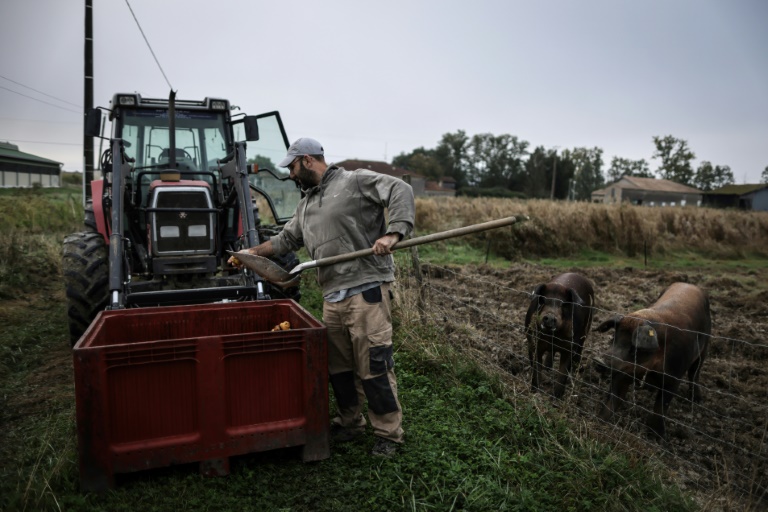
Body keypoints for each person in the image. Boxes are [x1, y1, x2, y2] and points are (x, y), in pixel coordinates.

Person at [230, 137, 414, 457]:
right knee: (339, 368)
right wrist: (251, 253)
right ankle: (350, 422)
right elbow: (286, 240)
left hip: (366, 289)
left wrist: (393, 232)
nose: (289, 174)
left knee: (374, 367)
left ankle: (388, 434)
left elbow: (400, 189)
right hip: (333, 296)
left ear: (308, 160)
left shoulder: (353, 181)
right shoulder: (306, 204)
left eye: (292, 167)